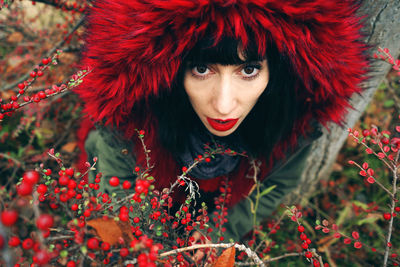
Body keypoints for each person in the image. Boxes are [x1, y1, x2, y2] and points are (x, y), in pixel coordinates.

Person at [76, 0, 368, 242]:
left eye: (249, 70)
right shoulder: (135, 121)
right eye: (202, 68)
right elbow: (117, 189)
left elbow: (276, 187)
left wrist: (220, 231)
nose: (224, 105)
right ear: (173, 70)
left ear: (276, 73)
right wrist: (157, 243)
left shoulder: (290, 123)